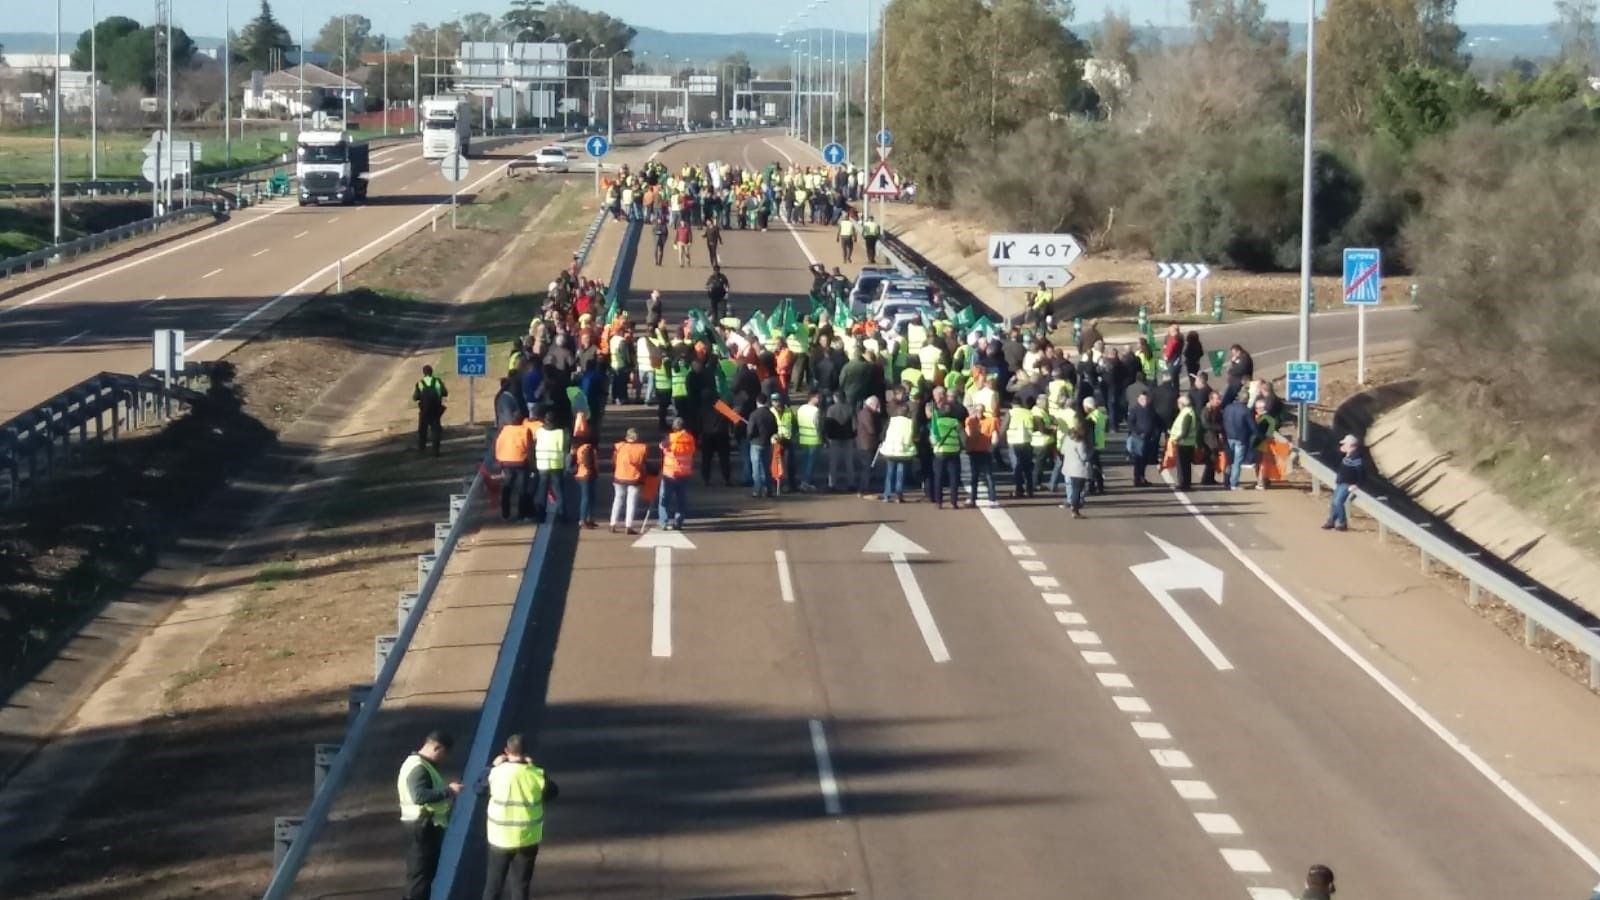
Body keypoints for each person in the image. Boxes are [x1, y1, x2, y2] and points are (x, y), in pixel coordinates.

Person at [479, 733, 559, 900]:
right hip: (527, 839)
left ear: (506, 751)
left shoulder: (496, 773)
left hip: (500, 838)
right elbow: (552, 792)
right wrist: (532, 767)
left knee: (493, 886)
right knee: (521, 886)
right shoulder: (536, 774)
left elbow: (478, 788)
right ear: (526, 753)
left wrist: (491, 766)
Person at [397, 730, 462, 900]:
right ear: (436, 747)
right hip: (423, 827)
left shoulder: (417, 764)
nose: (444, 758)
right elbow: (418, 795)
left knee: (420, 876)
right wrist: (448, 791)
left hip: (421, 825)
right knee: (420, 877)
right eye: (444, 754)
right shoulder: (419, 768)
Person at [494, 411, 535, 521]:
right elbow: (530, 449)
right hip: (520, 461)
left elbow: (498, 445)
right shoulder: (525, 431)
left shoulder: (504, 430)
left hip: (505, 461)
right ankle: (521, 514)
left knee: (507, 487)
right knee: (522, 488)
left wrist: (499, 461)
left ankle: (505, 513)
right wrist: (532, 466)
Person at [658, 417, 697, 530]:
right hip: (684, 472)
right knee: (681, 499)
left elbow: (662, 446)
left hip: (669, 473)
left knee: (664, 499)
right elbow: (693, 450)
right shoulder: (690, 438)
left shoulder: (670, 438)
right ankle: (679, 521)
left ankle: (663, 522)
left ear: (674, 427)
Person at [531, 412, 568, 522]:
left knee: (541, 491)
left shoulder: (539, 432)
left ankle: (540, 516)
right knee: (559, 491)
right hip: (556, 465)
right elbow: (565, 448)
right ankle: (562, 515)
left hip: (542, 465)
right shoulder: (560, 433)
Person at [610, 428, 648, 534]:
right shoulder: (642, 448)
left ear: (627, 436)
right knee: (631, 502)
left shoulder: (619, 447)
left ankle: (612, 523)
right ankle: (628, 526)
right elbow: (644, 464)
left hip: (619, 476)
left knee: (617, 499)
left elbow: (613, 461)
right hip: (634, 478)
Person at [1324, 434, 1364, 531]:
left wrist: (1357, 485)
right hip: (1340, 482)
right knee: (1334, 502)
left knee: (1338, 502)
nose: (1342, 446)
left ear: (1350, 446)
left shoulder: (1356, 458)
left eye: (1344, 444)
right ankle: (1331, 521)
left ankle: (1342, 523)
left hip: (1347, 483)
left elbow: (1362, 474)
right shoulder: (1348, 455)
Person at [879, 401, 916, 503]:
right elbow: (914, 435)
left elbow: (883, 434)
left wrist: (882, 442)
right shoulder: (910, 422)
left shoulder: (891, 421)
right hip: (904, 451)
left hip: (891, 449)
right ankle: (899, 495)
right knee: (901, 472)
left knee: (890, 472)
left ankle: (887, 495)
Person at [964, 401, 1000, 507]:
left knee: (989, 475)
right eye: (977, 410)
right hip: (974, 451)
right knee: (974, 476)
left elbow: (995, 435)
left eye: (980, 410)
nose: (979, 412)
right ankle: (973, 499)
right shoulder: (970, 421)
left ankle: (992, 498)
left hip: (985, 451)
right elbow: (967, 434)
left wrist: (992, 448)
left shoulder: (991, 421)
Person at [747, 393, 779, 497]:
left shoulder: (754, 414)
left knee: (756, 468)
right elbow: (775, 429)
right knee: (766, 467)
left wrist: (750, 438)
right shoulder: (771, 414)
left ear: (757, 402)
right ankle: (768, 489)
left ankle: (757, 490)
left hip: (756, 443)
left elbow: (750, 431)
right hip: (766, 443)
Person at [1222, 391, 1254, 491]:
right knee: (1237, 462)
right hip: (1241, 438)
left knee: (1229, 460)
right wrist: (1259, 435)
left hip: (1229, 437)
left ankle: (1226, 481)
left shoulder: (1228, 408)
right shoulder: (1246, 411)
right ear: (1247, 400)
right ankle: (1233, 483)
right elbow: (1252, 426)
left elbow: (1224, 420)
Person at [413, 364, 448, 457]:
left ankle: (422, 449)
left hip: (424, 410)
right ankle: (436, 450)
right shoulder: (437, 381)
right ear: (432, 372)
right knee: (436, 430)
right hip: (436, 410)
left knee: (422, 430)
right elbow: (445, 393)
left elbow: (415, 397)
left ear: (423, 373)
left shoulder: (420, 383)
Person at [1059, 423, 1091, 519]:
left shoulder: (1067, 439)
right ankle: (1075, 509)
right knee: (1077, 489)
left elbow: (1062, 451)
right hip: (1079, 469)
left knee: (1072, 488)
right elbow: (1084, 456)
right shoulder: (1080, 442)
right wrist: (1090, 453)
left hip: (1068, 467)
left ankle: (1073, 505)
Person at [1169, 393, 1199, 491]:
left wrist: (1177, 439)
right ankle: (1185, 483)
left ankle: (1183, 484)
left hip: (1184, 443)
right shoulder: (1188, 412)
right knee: (1185, 465)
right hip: (1188, 443)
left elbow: (1185, 431)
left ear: (1181, 404)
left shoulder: (1186, 414)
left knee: (1182, 466)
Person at [572, 439, 597, 529]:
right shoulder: (588, 448)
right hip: (587, 475)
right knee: (587, 498)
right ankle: (584, 519)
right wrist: (592, 471)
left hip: (582, 474)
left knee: (588, 498)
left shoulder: (581, 448)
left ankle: (587, 519)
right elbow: (588, 463)